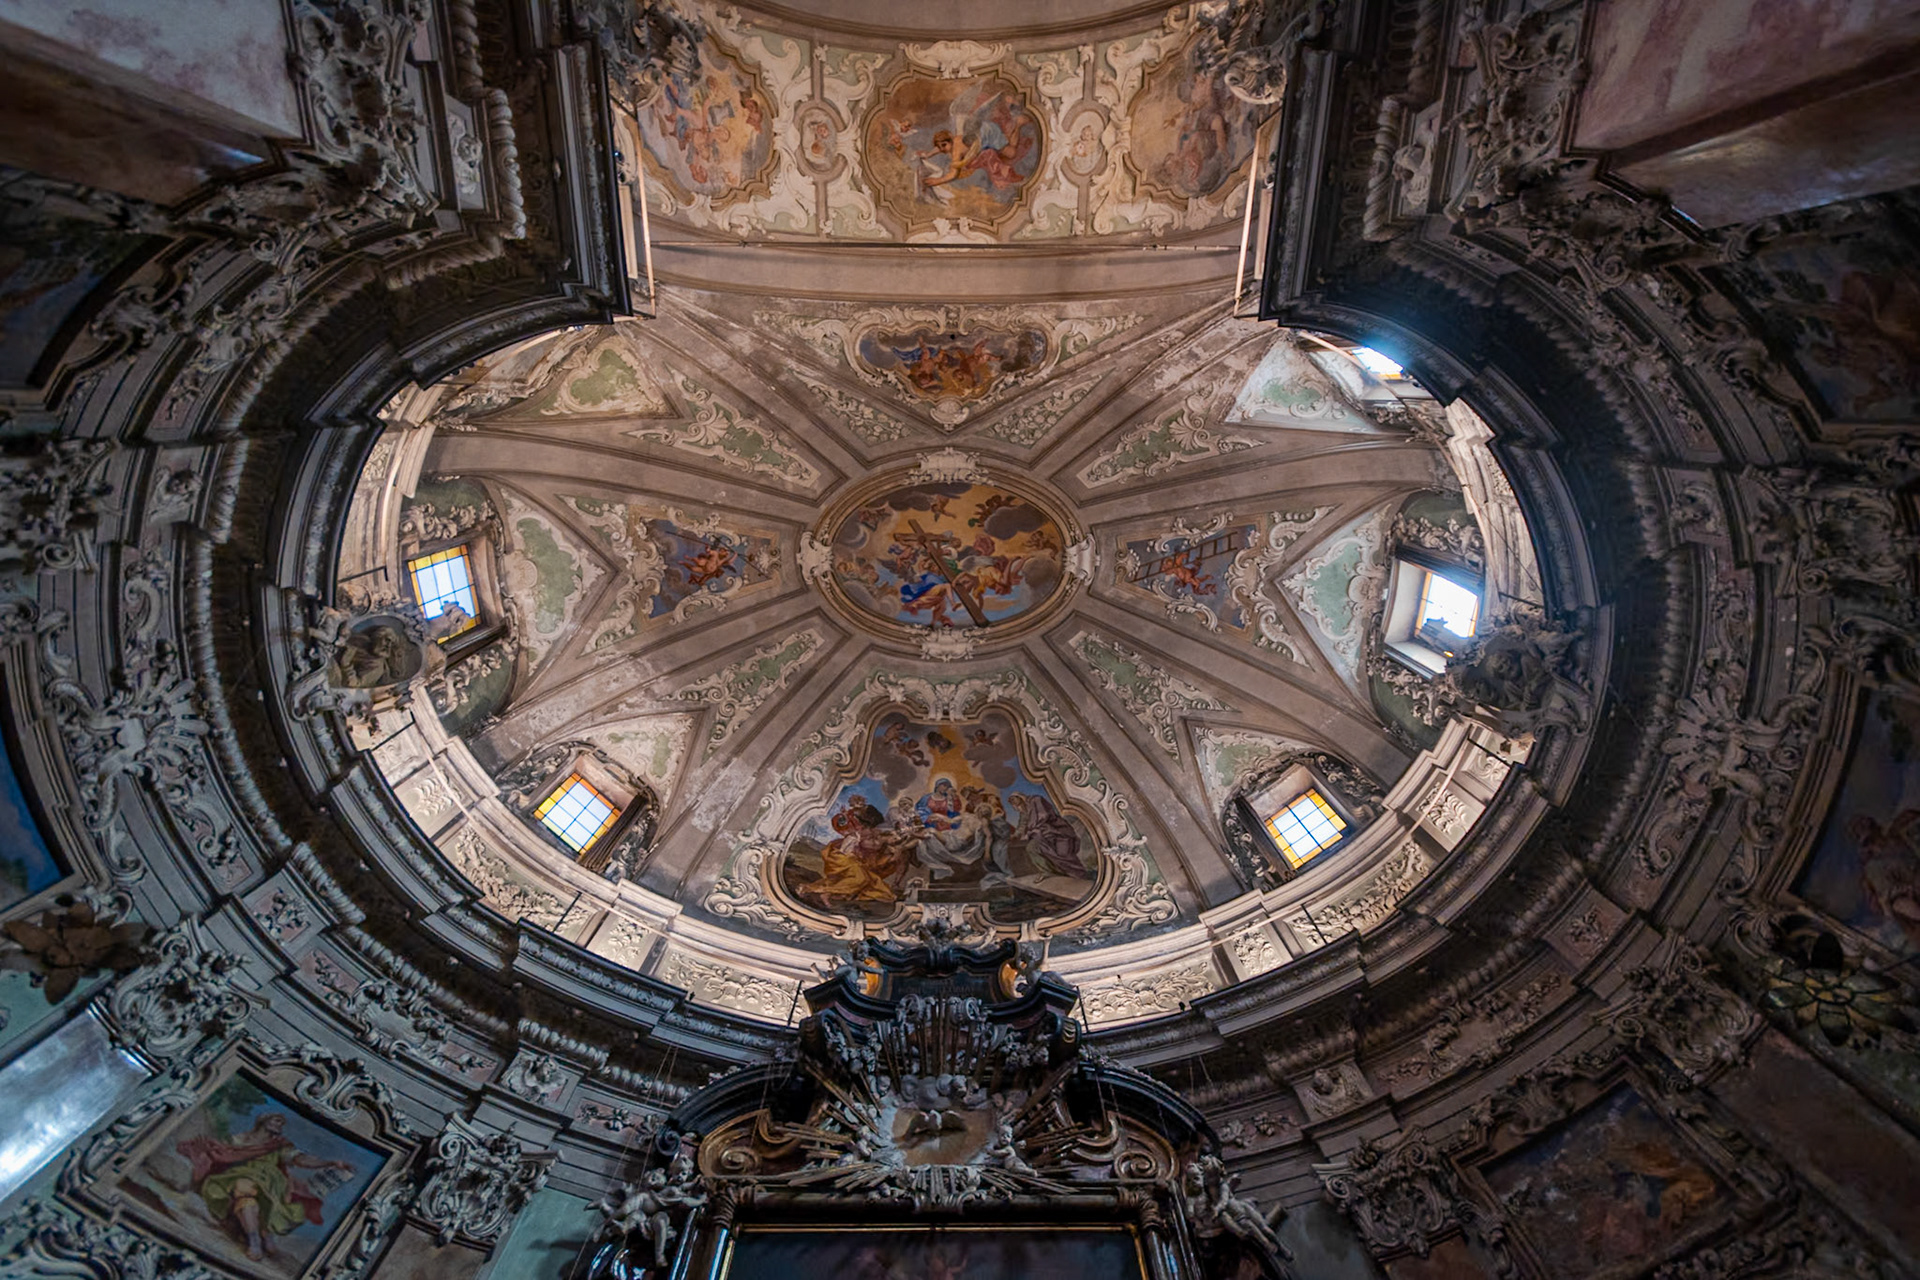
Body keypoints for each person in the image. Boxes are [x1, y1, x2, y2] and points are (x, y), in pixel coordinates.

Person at [176, 1112, 357, 1261]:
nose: (280, 1124)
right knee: (244, 1193)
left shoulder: (279, 1146)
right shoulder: (239, 1139)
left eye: (281, 1123)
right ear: (263, 1120)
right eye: (276, 1120)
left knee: (245, 1189)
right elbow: (222, 1153)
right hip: (235, 1176)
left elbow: (302, 1159)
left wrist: (330, 1163)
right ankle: (255, 1239)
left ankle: (259, 1236)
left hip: (270, 1181)